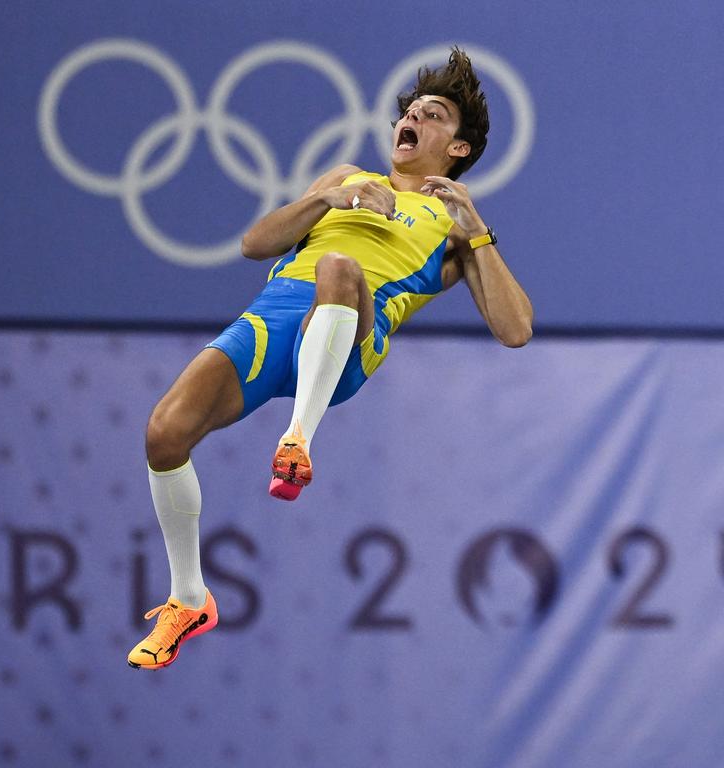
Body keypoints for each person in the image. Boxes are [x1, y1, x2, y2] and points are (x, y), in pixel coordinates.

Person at [127, 47, 533, 669]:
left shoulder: (455, 226)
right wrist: (330, 201)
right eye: (412, 110)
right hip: (273, 319)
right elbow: (254, 244)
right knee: (164, 433)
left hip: (349, 336)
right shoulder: (345, 177)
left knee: (340, 269)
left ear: (457, 149)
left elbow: (515, 330)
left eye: (435, 115)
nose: (415, 117)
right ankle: (189, 598)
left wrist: (476, 229)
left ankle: (297, 441)